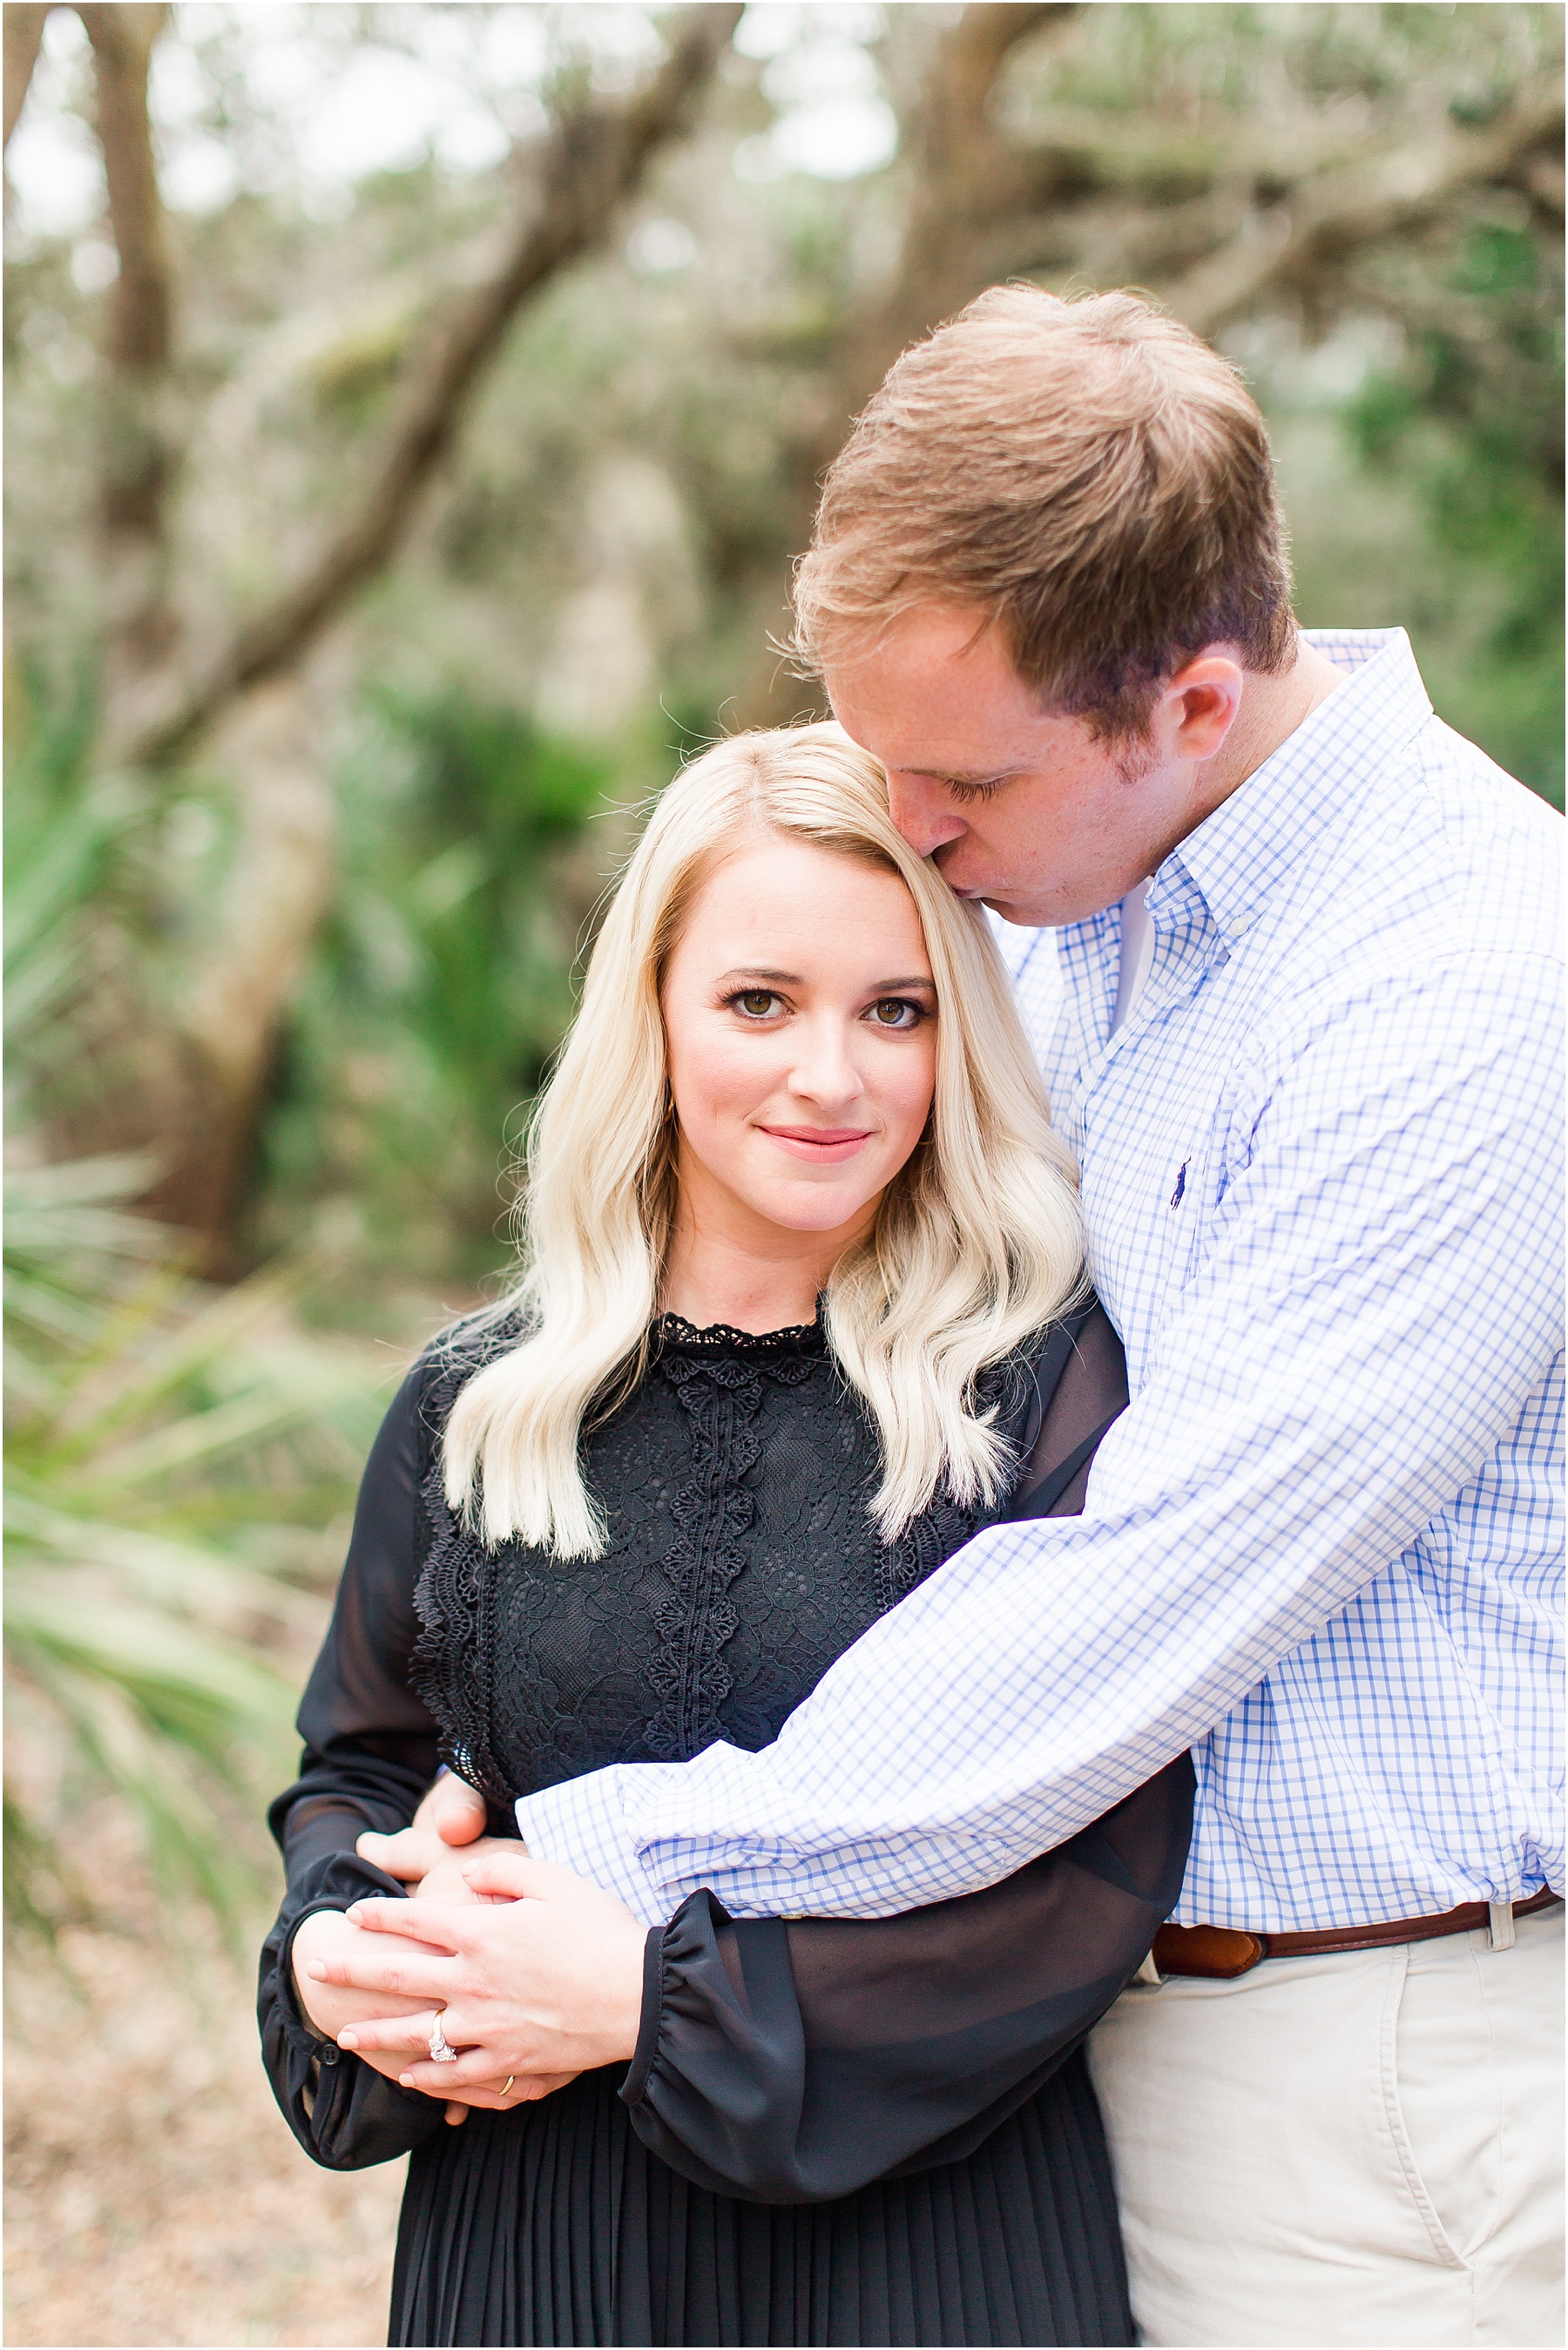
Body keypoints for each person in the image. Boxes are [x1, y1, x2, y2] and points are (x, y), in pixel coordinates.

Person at [318, 288, 1564, 2350]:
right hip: (1081, 2079)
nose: (912, 837)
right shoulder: (1083, 914)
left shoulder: (1469, 987)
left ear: (1185, 701)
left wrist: (611, 1875)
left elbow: (1138, 1583)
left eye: (956, 778)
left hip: (1398, 2082)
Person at [260, 722, 1195, 2347]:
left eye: (894, 1009)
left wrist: (648, 2003)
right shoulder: (478, 1403)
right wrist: (350, 1950)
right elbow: (361, 1767)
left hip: (935, 2248)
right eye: (760, 1000)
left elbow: (1087, 1863)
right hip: (537, 2250)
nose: (829, 1075)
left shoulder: (1041, 1390)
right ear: (657, 1014)